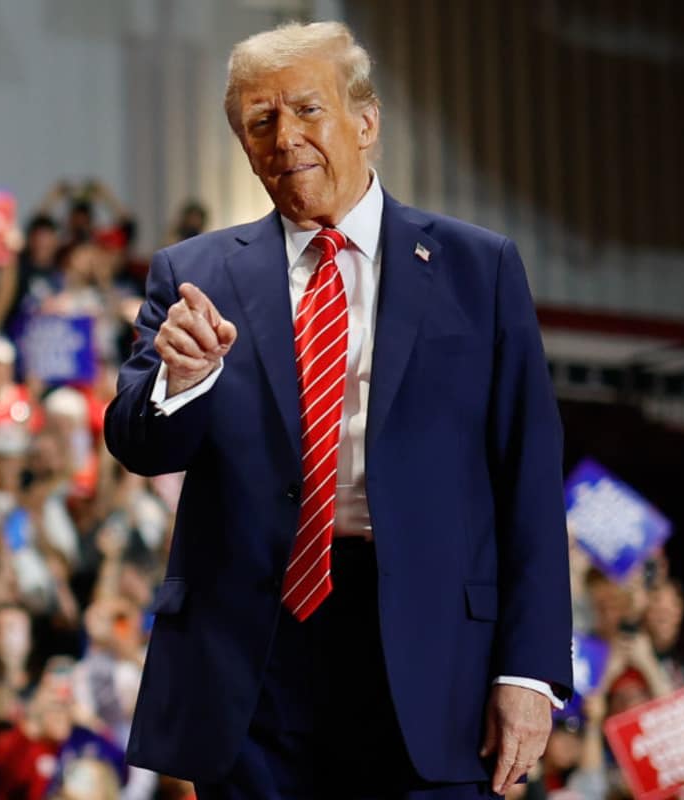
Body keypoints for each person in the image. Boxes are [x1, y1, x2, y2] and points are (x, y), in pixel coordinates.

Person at [104, 20, 573, 800]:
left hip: (431, 654)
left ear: (366, 120)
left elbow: (527, 472)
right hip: (254, 660)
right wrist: (179, 379)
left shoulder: (475, 268)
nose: (284, 136)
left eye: (305, 110)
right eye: (260, 121)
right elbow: (139, 443)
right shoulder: (196, 274)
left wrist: (529, 669)